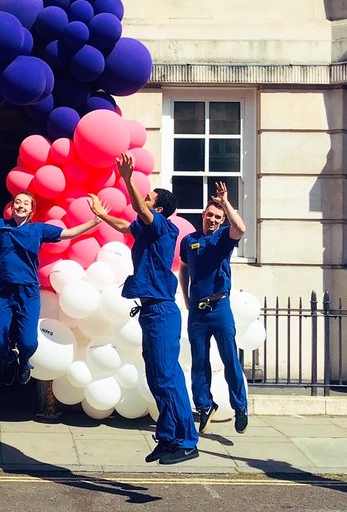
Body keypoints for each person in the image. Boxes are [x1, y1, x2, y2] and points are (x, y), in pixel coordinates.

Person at [88, 153, 199, 464]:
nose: (144, 199)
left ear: (159, 207)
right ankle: (167, 438)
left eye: (149, 197)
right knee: (157, 378)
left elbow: (140, 210)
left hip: (163, 311)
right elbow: (126, 224)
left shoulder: (162, 226)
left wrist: (127, 177)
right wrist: (101, 214)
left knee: (166, 378)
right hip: (151, 311)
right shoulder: (148, 230)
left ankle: (187, 441)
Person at [0, 187, 100, 386]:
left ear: (31, 210)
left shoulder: (38, 229)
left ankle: (24, 362)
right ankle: (8, 358)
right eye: (17, 202)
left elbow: (69, 233)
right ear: (12, 207)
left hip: (28, 292)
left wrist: (96, 220)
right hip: (1, 292)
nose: (21, 205)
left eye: (25, 203)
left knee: (28, 343)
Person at [179, 181, 248, 434]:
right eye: (210, 215)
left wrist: (226, 203)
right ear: (203, 215)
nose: (213, 219)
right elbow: (184, 268)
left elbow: (240, 227)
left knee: (230, 359)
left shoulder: (223, 237)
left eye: (218, 217)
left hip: (219, 308)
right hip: (198, 310)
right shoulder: (189, 240)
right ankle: (205, 405)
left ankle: (240, 406)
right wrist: (186, 299)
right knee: (199, 361)